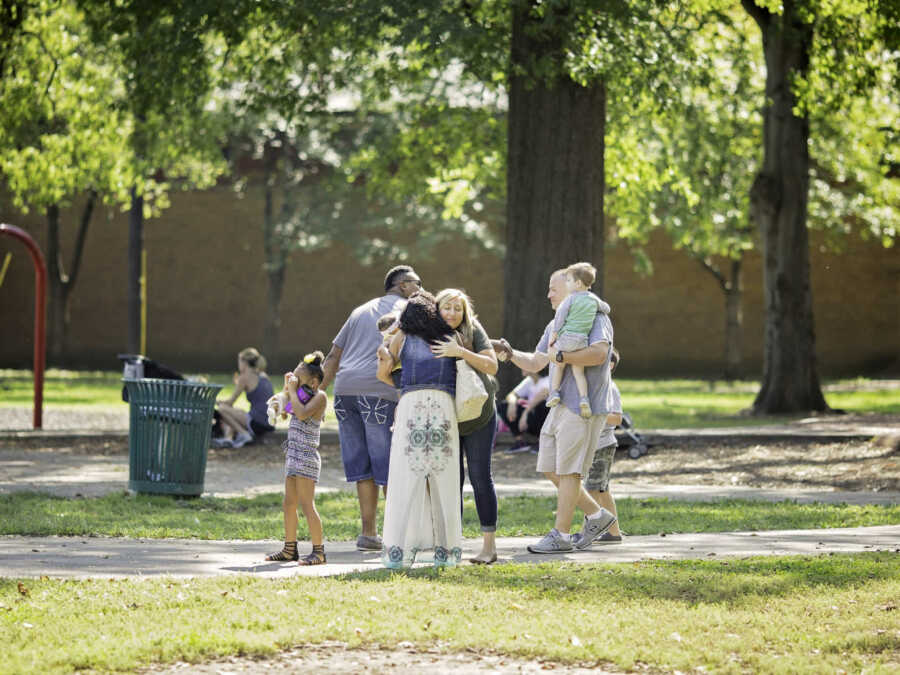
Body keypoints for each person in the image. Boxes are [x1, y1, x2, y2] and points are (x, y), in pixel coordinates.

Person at [499, 268, 617, 554]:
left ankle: (561, 535)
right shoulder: (555, 324)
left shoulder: (595, 316)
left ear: (571, 286)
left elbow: (600, 353)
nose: (548, 294)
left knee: (569, 470)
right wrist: (510, 353)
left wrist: (563, 356)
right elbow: (537, 362)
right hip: (559, 405)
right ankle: (597, 516)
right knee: (550, 467)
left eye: (553, 288)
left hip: (582, 407)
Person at [320, 265, 422, 552]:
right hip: (380, 391)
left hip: (345, 393)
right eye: (418, 283)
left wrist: (312, 396)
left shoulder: (359, 311)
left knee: (362, 465)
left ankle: (369, 534)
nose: (422, 289)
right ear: (403, 285)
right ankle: (395, 535)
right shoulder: (409, 310)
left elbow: (333, 356)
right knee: (389, 464)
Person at [376, 291, 462, 569]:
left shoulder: (402, 338)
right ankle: (446, 551)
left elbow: (384, 373)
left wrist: (405, 383)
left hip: (411, 406)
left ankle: (398, 550)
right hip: (443, 408)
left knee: (403, 477)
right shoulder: (451, 337)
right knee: (445, 480)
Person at [431, 288, 500, 564]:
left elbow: (492, 366)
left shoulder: (473, 329)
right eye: (446, 307)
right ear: (436, 309)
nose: (451, 313)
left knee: (481, 477)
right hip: (447, 416)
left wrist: (459, 351)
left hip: (479, 413)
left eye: (457, 309)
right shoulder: (426, 334)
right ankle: (450, 546)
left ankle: (489, 547)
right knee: (450, 482)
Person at [265, 351, 328, 565]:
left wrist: (291, 391)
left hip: (306, 457)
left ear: (313, 381)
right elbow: (286, 413)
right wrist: (285, 393)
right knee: (289, 503)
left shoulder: (320, 397)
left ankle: (319, 552)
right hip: (293, 455)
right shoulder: (299, 394)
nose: (295, 380)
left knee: (307, 504)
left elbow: (301, 414)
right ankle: (290, 549)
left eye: (298, 378)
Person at [574, 348, 624, 546]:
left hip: (602, 445)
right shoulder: (596, 386)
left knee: (592, 489)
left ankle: (585, 532)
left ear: (609, 366)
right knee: (603, 490)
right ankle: (614, 532)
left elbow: (617, 418)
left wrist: (595, 414)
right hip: (596, 445)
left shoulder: (610, 388)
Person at [546, 262, 607, 418]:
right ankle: (584, 398)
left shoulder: (570, 299)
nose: (567, 284)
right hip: (582, 341)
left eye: (568, 281)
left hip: (566, 338)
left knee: (559, 365)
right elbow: (606, 308)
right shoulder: (593, 299)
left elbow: (560, 318)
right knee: (578, 372)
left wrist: (553, 338)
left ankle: (554, 393)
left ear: (578, 283)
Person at [214, 347, 275, 448]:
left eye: (239, 361)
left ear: (244, 362)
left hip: (257, 422)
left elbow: (230, 402)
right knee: (236, 411)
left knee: (222, 409)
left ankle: (244, 435)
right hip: (269, 423)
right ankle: (228, 438)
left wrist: (216, 402)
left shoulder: (244, 377)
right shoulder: (263, 375)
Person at [498, 369, 550, 452]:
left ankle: (542, 443)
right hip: (529, 420)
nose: (521, 367)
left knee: (542, 405)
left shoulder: (547, 380)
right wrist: (512, 404)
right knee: (504, 405)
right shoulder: (529, 380)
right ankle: (520, 442)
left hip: (544, 421)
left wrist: (525, 413)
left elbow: (543, 395)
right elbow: (511, 395)